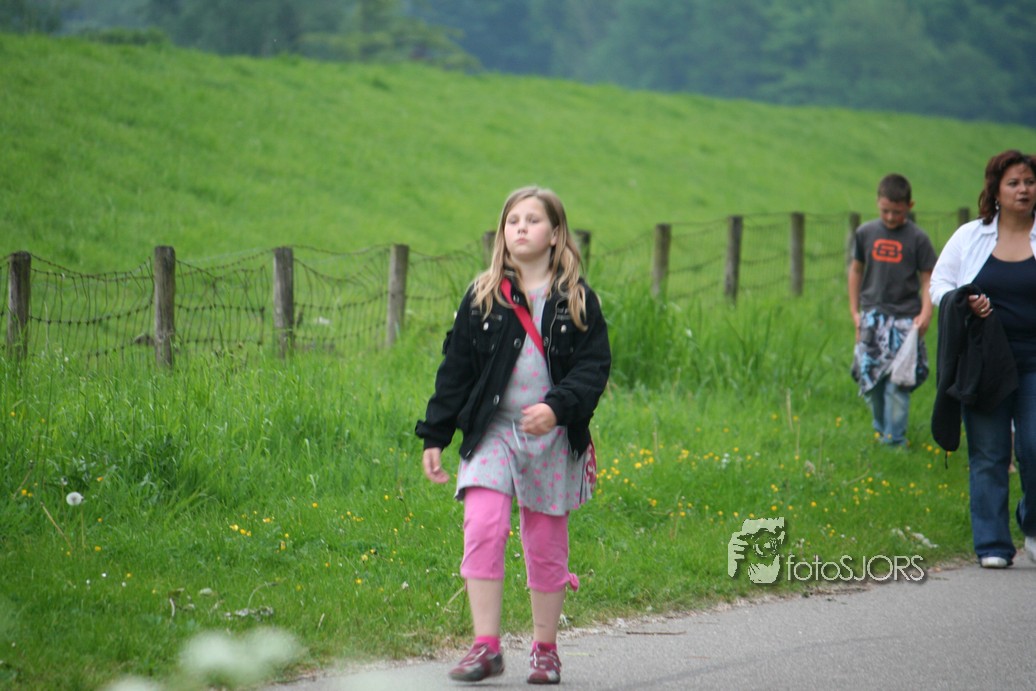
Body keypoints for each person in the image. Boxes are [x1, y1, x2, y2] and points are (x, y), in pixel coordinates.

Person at [416, 186, 611, 684]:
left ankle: (545, 649)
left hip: (552, 437)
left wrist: (556, 407)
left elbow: (593, 370)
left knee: (545, 544)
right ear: (503, 234)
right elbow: (456, 370)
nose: (521, 227)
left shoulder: (577, 301)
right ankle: (485, 646)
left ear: (556, 234)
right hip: (494, 431)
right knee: (483, 524)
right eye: (513, 221)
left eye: (533, 220)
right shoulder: (484, 296)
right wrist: (435, 434)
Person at [930, 149, 1036, 569]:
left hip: (1034, 361)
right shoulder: (970, 236)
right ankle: (992, 543)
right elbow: (939, 285)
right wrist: (964, 301)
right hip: (985, 361)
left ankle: (1031, 524)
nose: (1023, 190)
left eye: (1030, 182)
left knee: (1034, 446)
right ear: (996, 190)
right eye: (1014, 183)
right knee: (989, 452)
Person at [848, 173, 938, 447]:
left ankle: (895, 440)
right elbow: (856, 270)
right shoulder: (865, 233)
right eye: (885, 210)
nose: (890, 217)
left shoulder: (918, 239)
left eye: (897, 212)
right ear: (877, 202)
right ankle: (881, 430)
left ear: (910, 206)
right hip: (872, 318)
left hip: (905, 320)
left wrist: (926, 312)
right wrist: (855, 312)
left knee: (899, 382)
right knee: (871, 381)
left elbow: (928, 278)